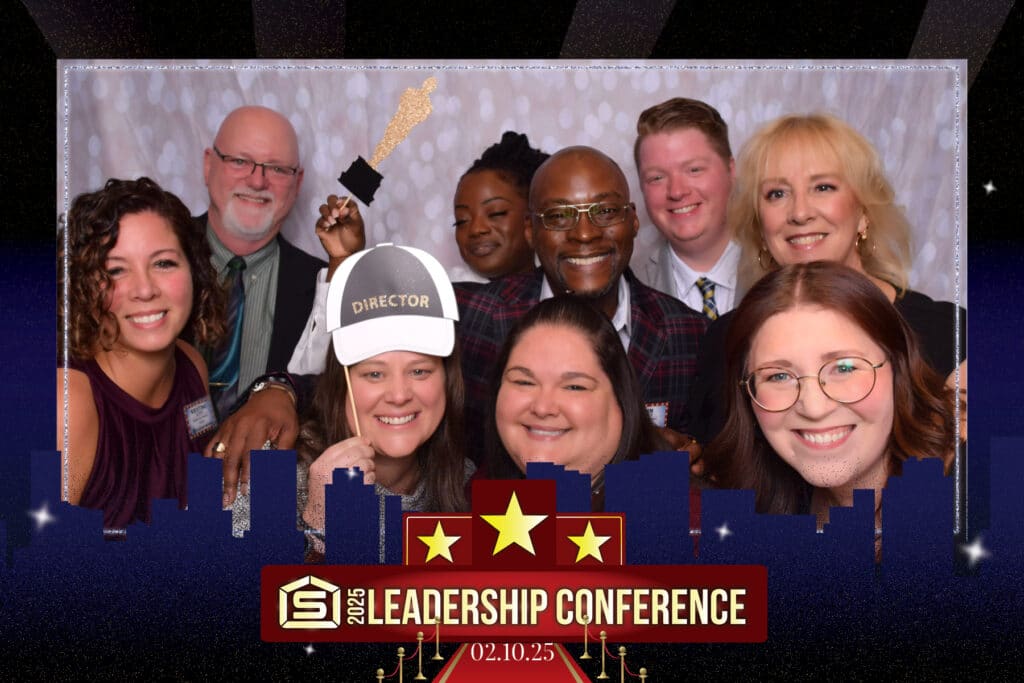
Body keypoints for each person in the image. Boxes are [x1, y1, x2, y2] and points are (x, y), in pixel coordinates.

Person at [688, 113, 967, 448]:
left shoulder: (948, 333)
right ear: (759, 224)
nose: (800, 212)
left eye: (823, 187)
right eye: (777, 194)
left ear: (864, 211)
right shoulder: (725, 341)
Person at [457, 145, 707, 456]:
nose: (585, 234)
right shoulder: (474, 322)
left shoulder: (690, 336)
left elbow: (710, 460)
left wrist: (693, 452)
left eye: (604, 212)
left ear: (632, 221)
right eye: (559, 216)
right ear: (530, 231)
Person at [701, 262, 957, 547]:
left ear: (899, 369)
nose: (814, 407)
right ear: (747, 395)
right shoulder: (745, 518)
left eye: (845, 367)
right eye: (779, 375)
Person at [196, 105, 365, 506]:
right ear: (209, 165)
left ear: (297, 182)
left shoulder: (322, 281)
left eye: (277, 169)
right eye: (240, 161)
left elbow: (340, 395)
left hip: (262, 503)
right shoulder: (154, 258)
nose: (257, 180)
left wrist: (344, 265)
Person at [57, 177, 225, 532]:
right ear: (83, 285)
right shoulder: (69, 402)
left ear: (194, 269)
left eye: (163, 263)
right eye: (116, 270)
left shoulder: (191, 364)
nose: (145, 289)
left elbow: (205, 504)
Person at [296, 244, 472, 561]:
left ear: (447, 379)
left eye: (419, 371)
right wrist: (319, 528)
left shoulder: (468, 481)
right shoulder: (273, 473)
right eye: (374, 374)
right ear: (342, 383)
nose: (399, 394)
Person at [484, 297, 668, 510]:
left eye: (574, 387)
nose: (543, 408)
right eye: (523, 382)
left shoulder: (681, 526)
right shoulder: (469, 501)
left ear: (621, 399)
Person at [635, 97, 740, 319]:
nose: (676, 191)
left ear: (731, 171)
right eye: (657, 177)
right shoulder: (629, 288)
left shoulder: (778, 267)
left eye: (694, 170)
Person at [453, 131, 549, 280]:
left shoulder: (561, 295)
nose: (476, 229)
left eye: (496, 213)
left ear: (534, 219)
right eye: (462, 220)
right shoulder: (444, 297)